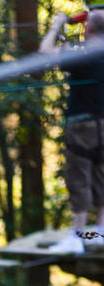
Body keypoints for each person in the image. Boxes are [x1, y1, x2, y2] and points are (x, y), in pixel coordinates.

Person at [40, 10, 104, 254]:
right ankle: (99, 232)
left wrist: (56, 26)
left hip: (83, 125)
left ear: (88, 29)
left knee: (80, 178)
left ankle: (77, 236)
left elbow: (44, 52)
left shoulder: (82, 54)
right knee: (101, 177)